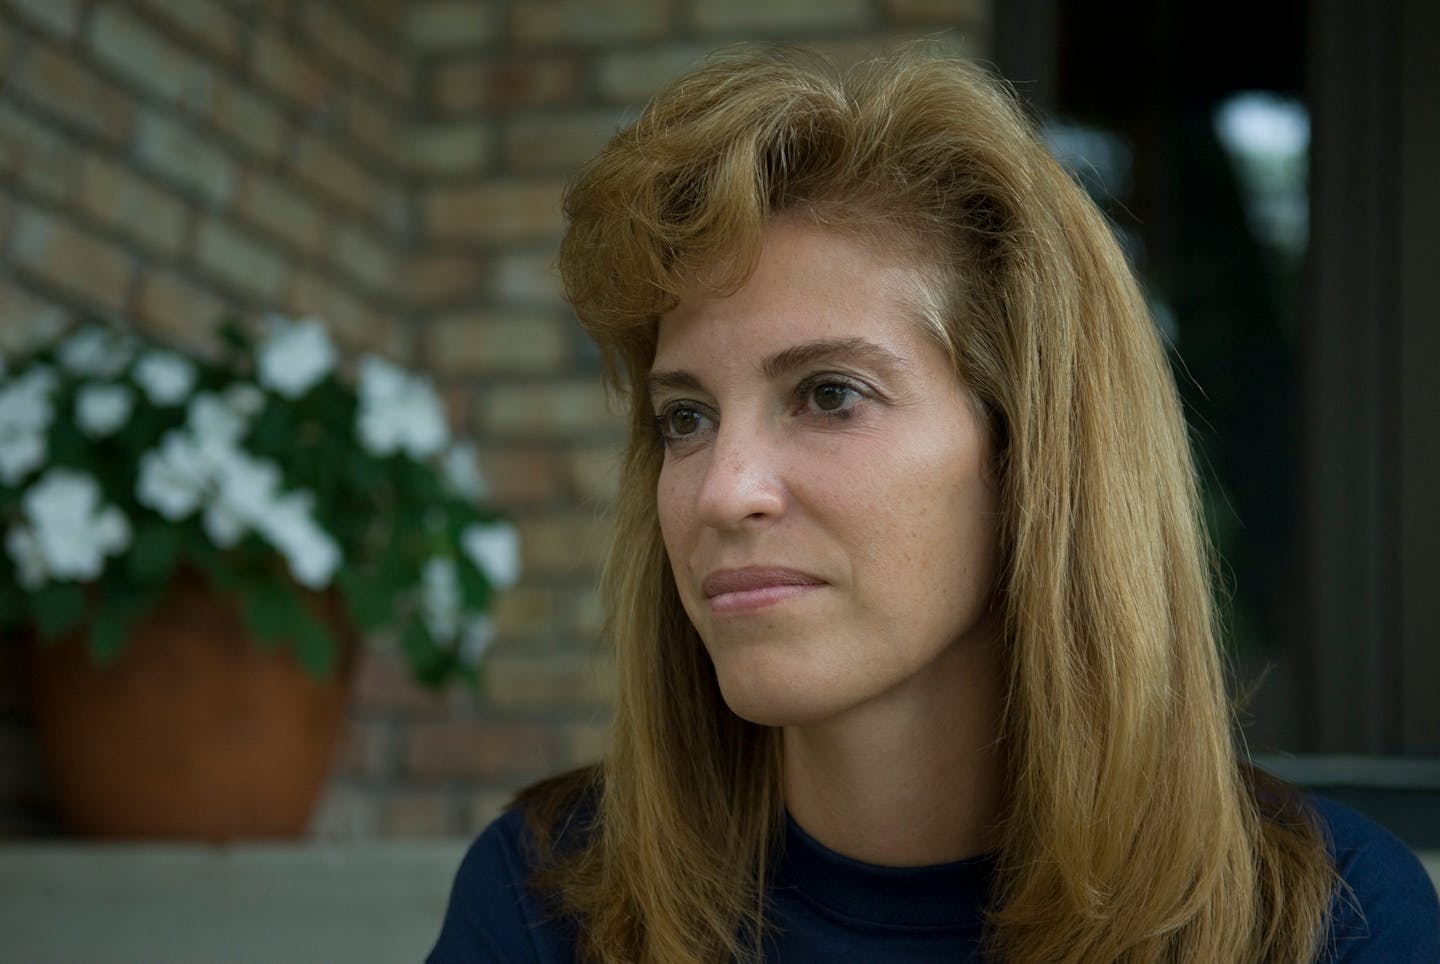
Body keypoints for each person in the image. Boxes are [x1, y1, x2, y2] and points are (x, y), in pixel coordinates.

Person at [429, 46, 1440, 963]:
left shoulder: (1319, 924)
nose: (725, 492)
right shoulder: (546, 901)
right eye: (686, 417)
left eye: (829, 394)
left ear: (1036, 452)